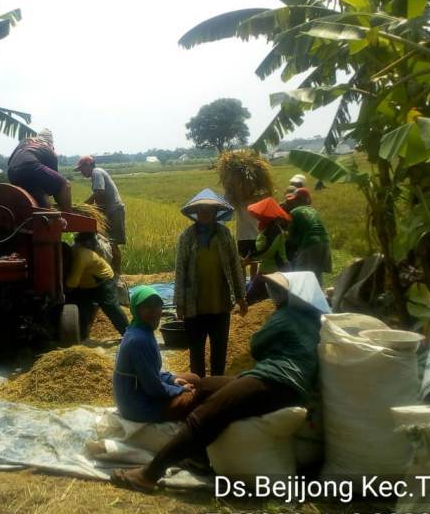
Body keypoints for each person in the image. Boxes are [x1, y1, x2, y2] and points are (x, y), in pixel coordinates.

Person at [111, 271, 329, 493]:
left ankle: (149, 475)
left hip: (276, 380)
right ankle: (198, 453)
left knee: (201, 418)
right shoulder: (313, 318)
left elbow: (257, 346)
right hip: (276, 380)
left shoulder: (285, 315)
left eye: (280, 291)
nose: (275, 295)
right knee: (205, 385)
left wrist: (174, 387)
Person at [174, 189, 247, 377]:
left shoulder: (224, 235)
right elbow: (180, 270)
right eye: (201, 210)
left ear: (216, 212)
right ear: (196, 213)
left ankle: (216, 386)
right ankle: (198, 388)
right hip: (194, 305)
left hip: (220, 303)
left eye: (209, 210)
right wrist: (179, 304)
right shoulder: (187, 237)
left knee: (219, 351)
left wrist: (240, 296)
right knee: (196, 351)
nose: (205, 213)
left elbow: (235, 265)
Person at [113, 286, 202, 422]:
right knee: (193, 397)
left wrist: (172, 380)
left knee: (194, 378)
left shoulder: (140, 329)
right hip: (137, 405)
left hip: (140, 390)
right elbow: (152, 388)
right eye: (147, 307)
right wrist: (179, 390)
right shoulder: (139, 340)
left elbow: (149, 372)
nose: (154, 311)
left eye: (157, 306)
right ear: (136, 310)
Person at [65, 232, 129, 337]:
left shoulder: (82, 256)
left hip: (103, 281)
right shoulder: (72, 252)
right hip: (85, 284)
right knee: (82, 309)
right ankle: (82, 336)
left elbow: (73, 282)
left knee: (110, 307)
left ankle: (128, 334)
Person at [75, 155, 126, 275]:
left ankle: (117, 273)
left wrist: (87, 204)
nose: (81, 172)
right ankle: (114, 272)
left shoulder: (96, 172)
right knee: (109, 242)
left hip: (114, 211)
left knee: (113, 242)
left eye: (82, 169)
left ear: (88, 165)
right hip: (109, 211)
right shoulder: (95, 174)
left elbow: (99, 192)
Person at [6, 129, 72, 211]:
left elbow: (10, 161)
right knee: (65, 184)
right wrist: (62, 205)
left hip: (12, 172)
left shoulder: (24, 142)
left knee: (41, 199)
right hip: (30, 166)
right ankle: (69, 216)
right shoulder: (48, 148)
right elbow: (57, 188)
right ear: (50, 143)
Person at [244, 198, 291, 304]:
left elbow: (269, 250)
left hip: (276, 270)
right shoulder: (268, 228)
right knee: (258, 297)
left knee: (251, 298)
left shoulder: (274, 230)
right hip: (267, 269)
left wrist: (250, 257)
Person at [284, 188, 332, 285]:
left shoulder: (294, 212)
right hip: (325, 241)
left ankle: (302, 298)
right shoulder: (313, 210)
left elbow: (290, 236)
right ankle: (319, 297)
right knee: (316, 273)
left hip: (310, 242)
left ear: (298, 200)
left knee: (301, 274)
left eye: (294, 200)